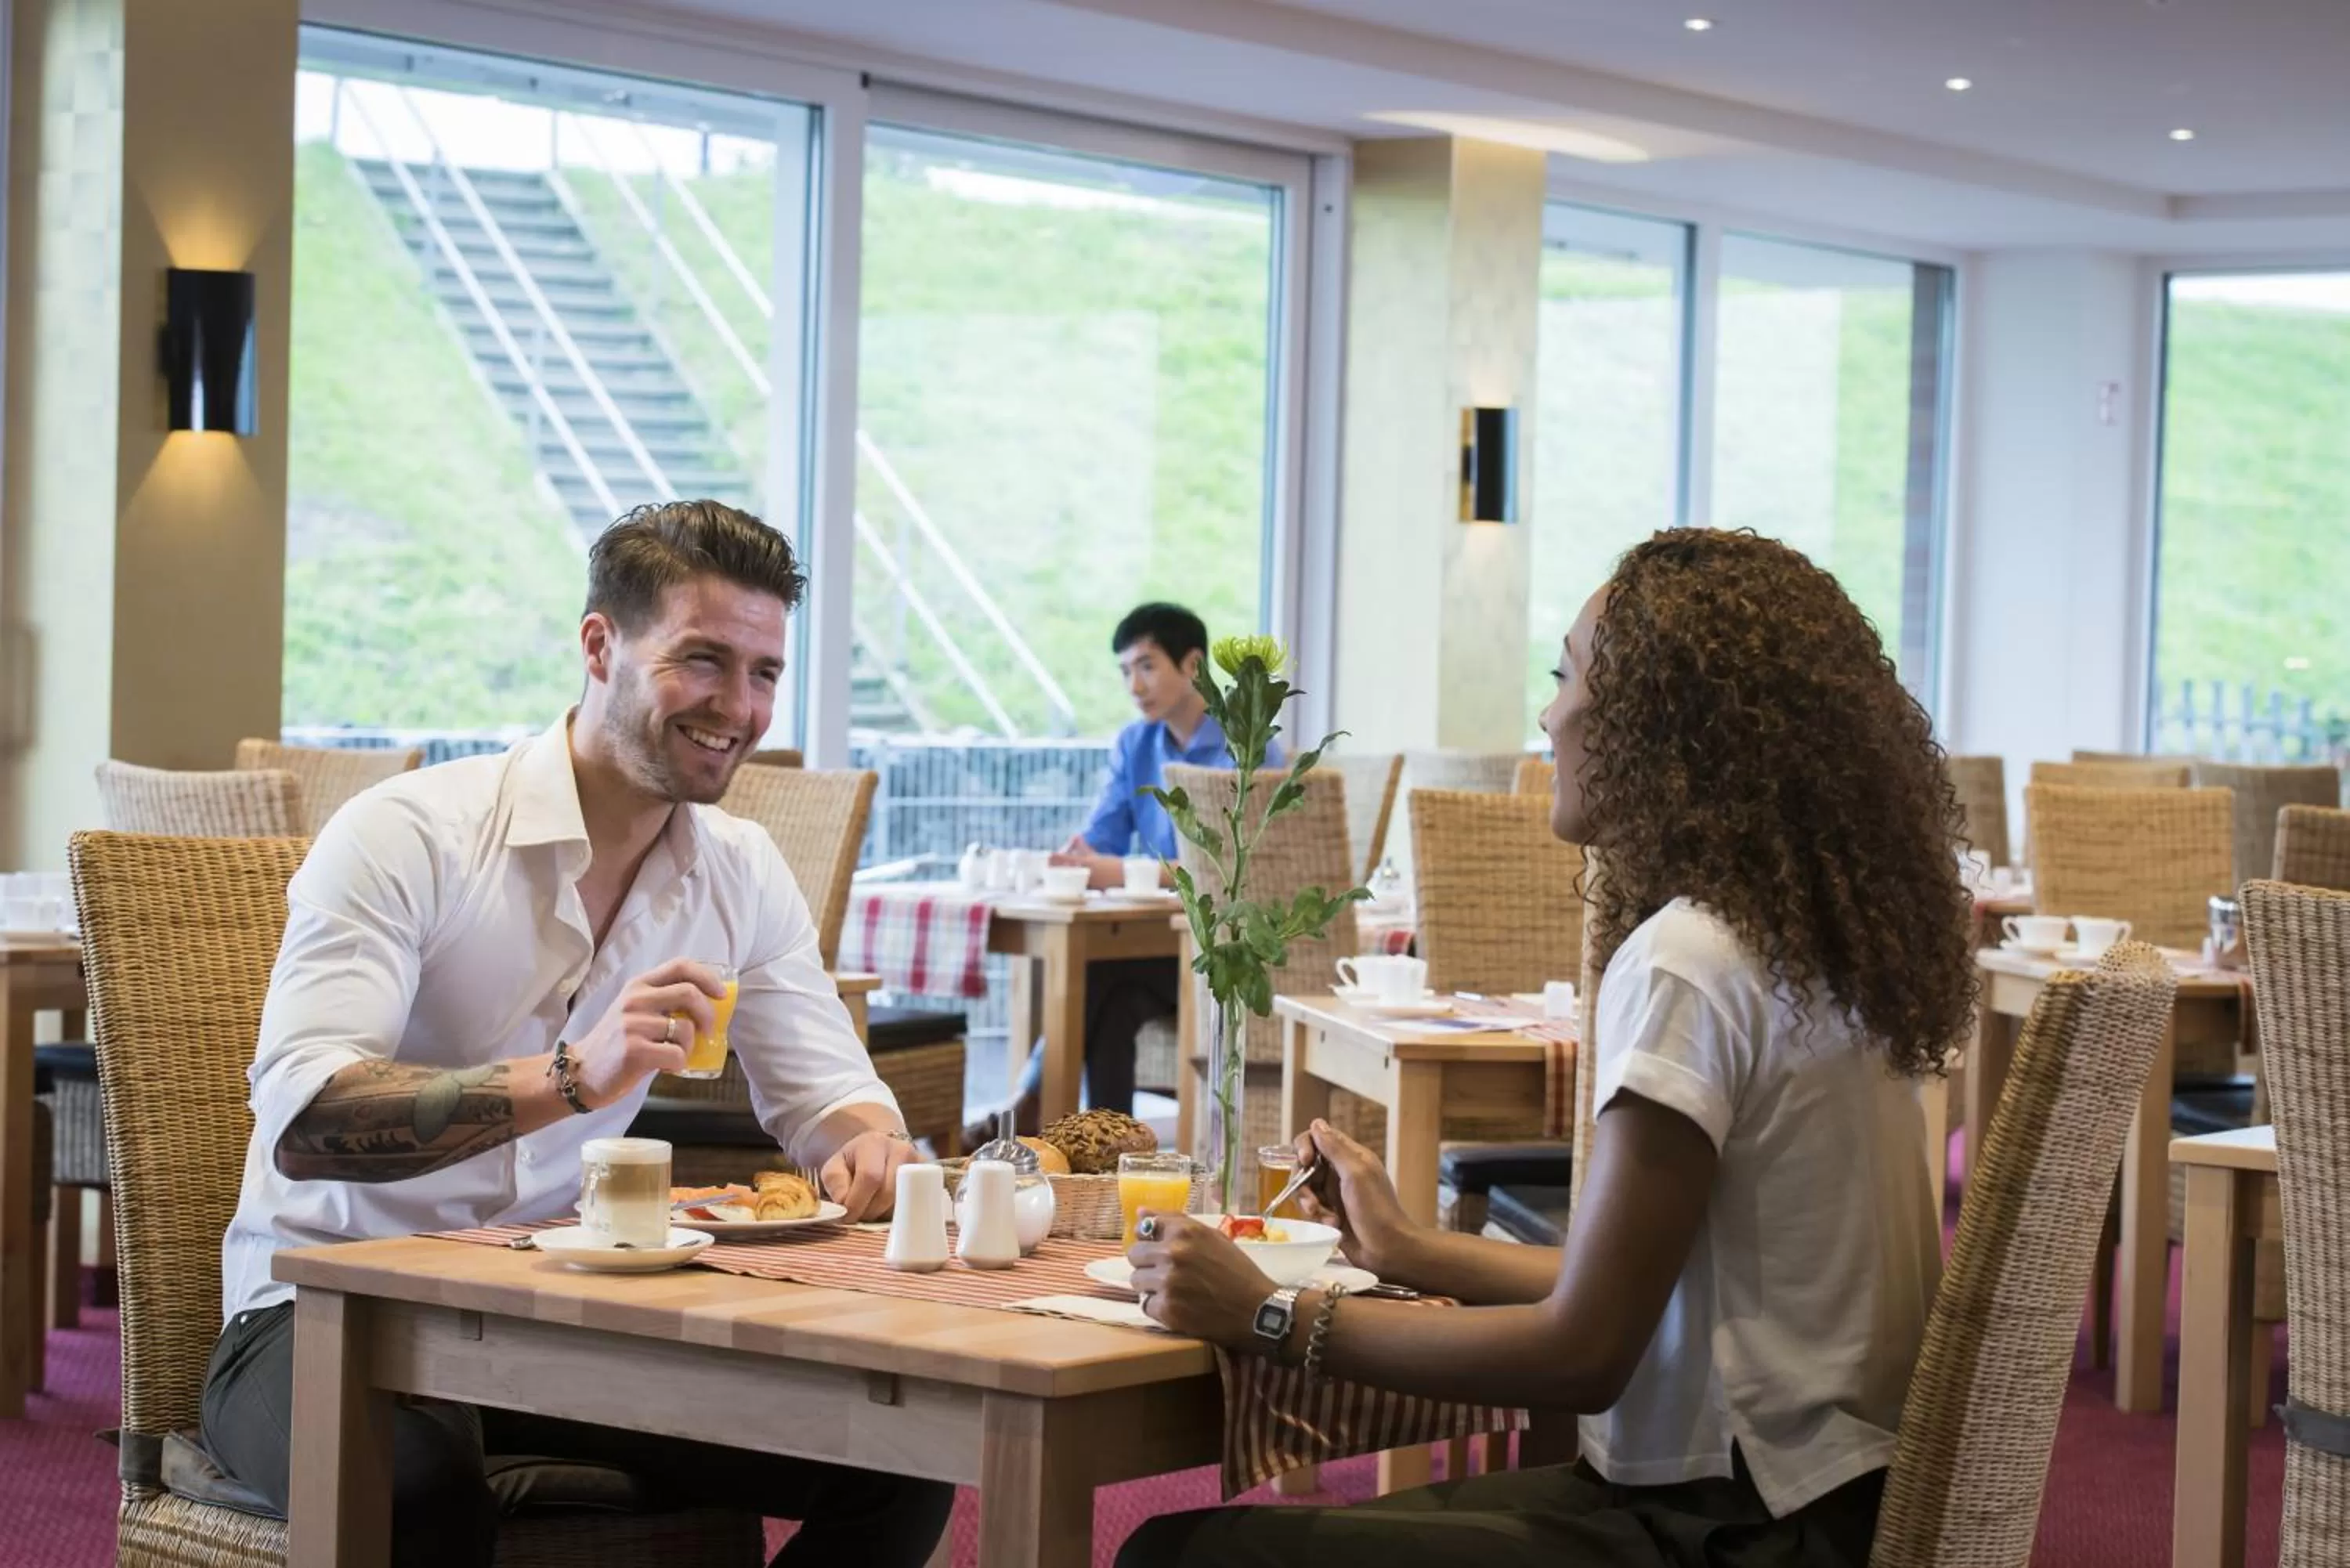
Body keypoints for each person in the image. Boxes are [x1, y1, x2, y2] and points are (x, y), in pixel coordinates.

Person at [1114, 529, 1976, 1566]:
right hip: (1829, 1501)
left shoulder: (1689, 958)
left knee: (1178, 1554)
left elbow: (1583, 1353)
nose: (1549, 710)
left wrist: (1268, 1315)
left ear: (1660, 722)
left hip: (1736, 1526)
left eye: (1566, 673)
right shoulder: (1809, 948)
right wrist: (1406, 1248)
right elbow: (1631, 1290)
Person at [201, 500, 952, 1568]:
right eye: (702, 660)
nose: (739, 708)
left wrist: (864, 1148)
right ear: (599, 645)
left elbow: (833, 1096)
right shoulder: (407, 835)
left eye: (764, 673)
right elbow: (310, 1124)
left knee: (900, 1457)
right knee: (417, 1492)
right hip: (321, 1310)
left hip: (552, 1320)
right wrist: (571, 1073)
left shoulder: (740, 869)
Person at [971, 604, 1276, 1140]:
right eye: (1125, 671)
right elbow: (1103, 839)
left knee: (1100, 975)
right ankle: (1105, 1151)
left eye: (1147, 666)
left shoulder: (1246, 746)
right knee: (1109, 996)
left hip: (1224, 953)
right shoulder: (1136, 745)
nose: (1134, 685)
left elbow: (1232, 869)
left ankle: (1028, 1105)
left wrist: (1117, 870)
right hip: (1157, 952)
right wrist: (1077, 858)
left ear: (1194, 665)